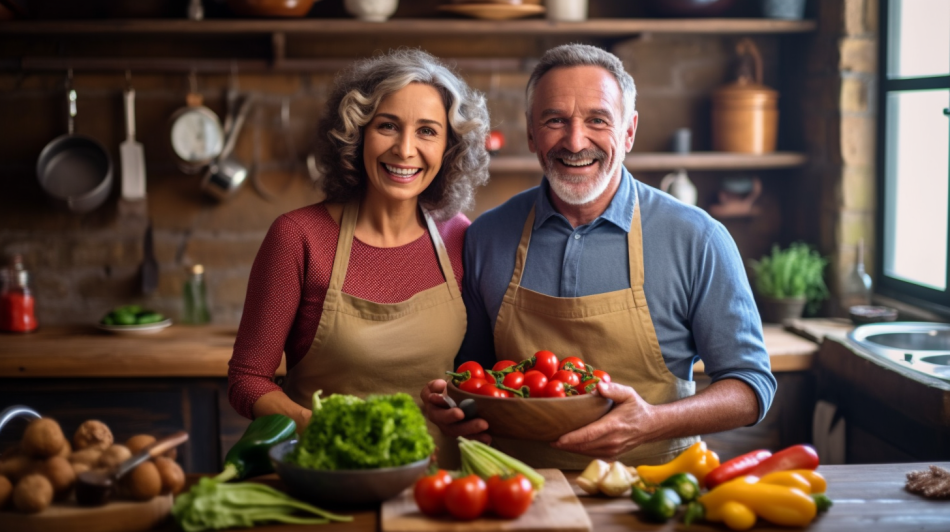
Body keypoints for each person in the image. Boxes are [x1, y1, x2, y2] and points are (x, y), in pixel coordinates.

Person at [422, 44, 777, 469]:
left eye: (598, 120)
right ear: (532, 133)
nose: (575, 141)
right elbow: (473, 374)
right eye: (555, 120)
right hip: (521, 487)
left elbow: (751, 387)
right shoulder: (487, 236)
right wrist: (455, 408)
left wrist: (652, 422)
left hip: (651, 488)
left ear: (628, 131)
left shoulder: (697, 238)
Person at [228, 49, 490, 442]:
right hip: (329, 465)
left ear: (448, 148)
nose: (405, 149)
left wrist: (465, 412)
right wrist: (328, 431)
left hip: (439, 472)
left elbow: (475, 378)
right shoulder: (298, 237)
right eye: (388, 126)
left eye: (427, 131)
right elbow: (247, 379)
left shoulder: (460, 237)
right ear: (357, 133)